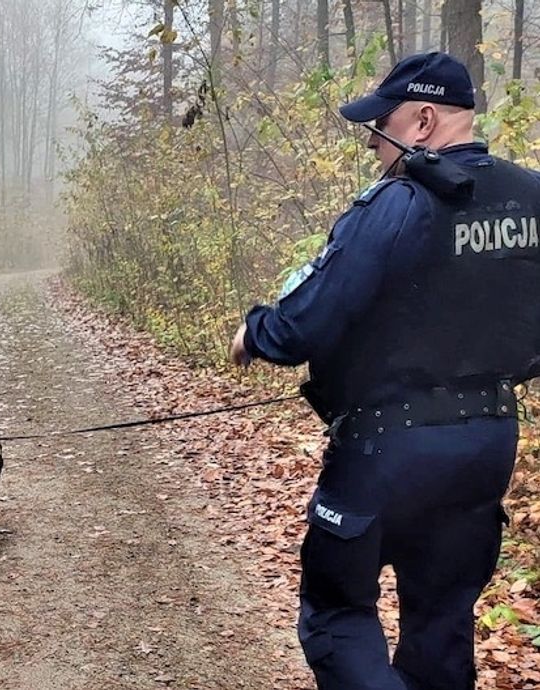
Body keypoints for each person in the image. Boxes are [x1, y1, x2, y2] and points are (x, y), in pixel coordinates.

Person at [230, 51, 540, 689]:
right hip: (488, 443)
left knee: (338, 613)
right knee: (441, 619)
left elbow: (303, 324)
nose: (374, 144)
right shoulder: (531, 198)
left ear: (423, 120)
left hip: (386, 449)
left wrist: (252, 333)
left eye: (382, 126)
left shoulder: (400, 201)